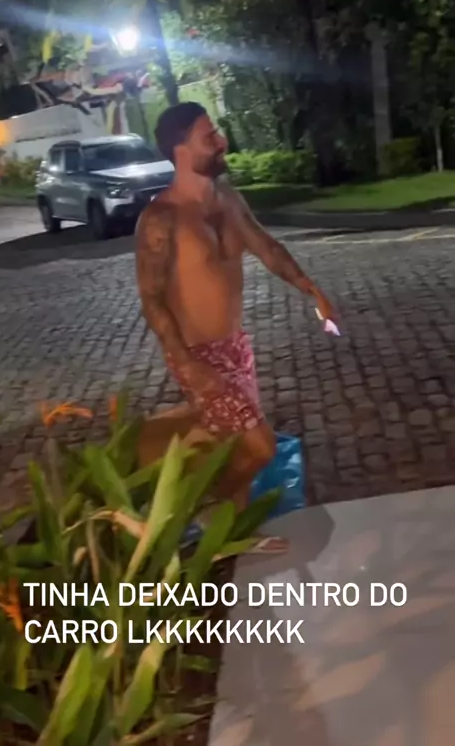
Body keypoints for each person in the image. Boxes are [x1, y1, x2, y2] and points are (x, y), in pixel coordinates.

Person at [135, 103, 336, 547]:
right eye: (209, 136)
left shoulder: (226, 198)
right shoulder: (161, 219)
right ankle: (197, 512)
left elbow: (265, 245)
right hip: (197, 355)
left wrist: (311, 289)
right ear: (181, 149)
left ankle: (238, 534)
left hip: (234, 346)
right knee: (261, 447)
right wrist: (187, 363)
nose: (222, 141)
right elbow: (152, 298)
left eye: (217, 132)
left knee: (239, 449)